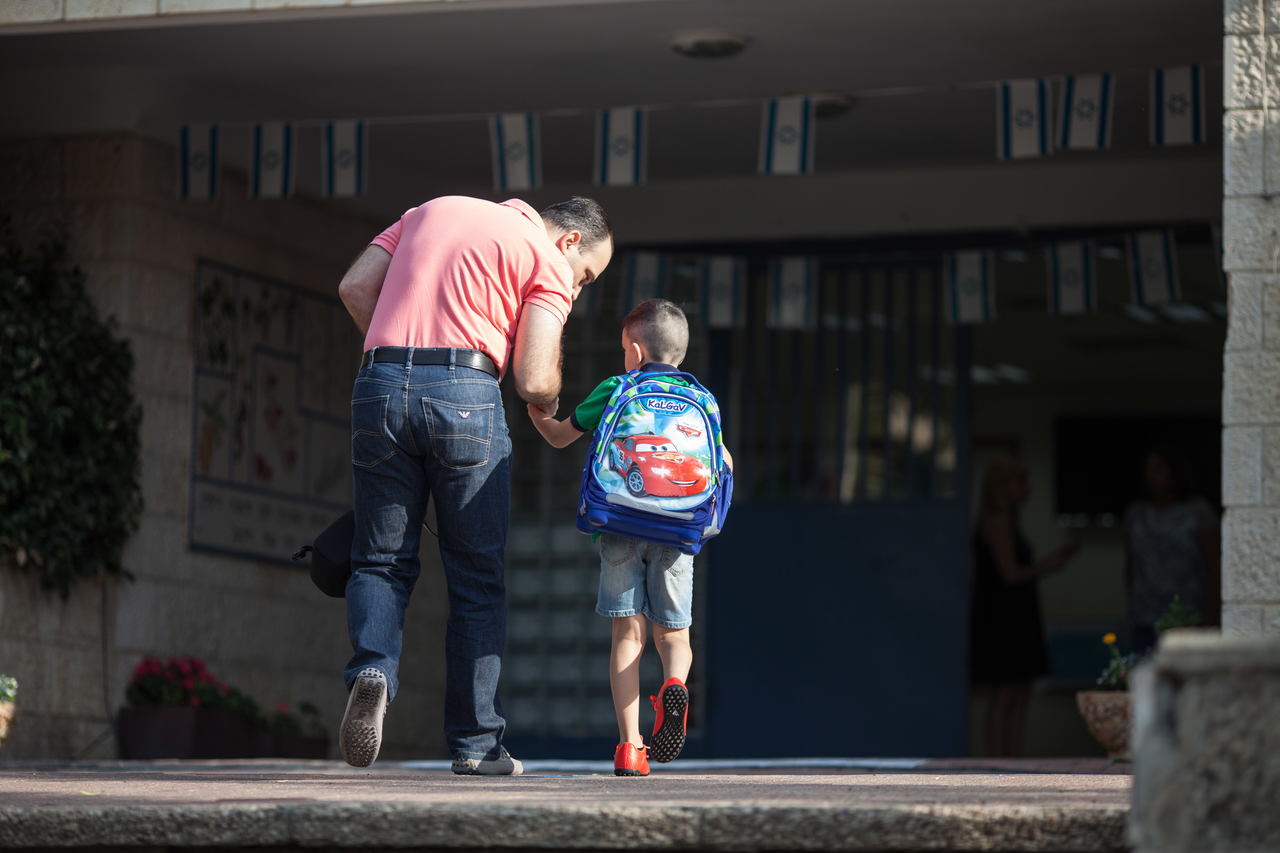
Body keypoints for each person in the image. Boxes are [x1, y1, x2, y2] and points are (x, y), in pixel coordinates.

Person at [334, 195, 613, 773]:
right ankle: (477, 745)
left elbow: (355, 288)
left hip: (379, 384)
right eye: (585, 276)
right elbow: (534, 378)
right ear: (567, 242)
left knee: (379, 560)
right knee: (476, 579)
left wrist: (399, 365)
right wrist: (551, 401)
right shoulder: (541, 256)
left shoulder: (427, 210)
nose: (578, 289)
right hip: (466, 392)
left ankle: (373, 671)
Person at [526, 298, 732, 776]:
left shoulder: (617, 387)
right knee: (674, 633)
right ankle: (676, 684)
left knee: (628, 632)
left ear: (635, 351)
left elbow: (560, 436)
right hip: (679, 528)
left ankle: (630, 746)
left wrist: (539, 413)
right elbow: (723, 465)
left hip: (619, 525)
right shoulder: (704, 402)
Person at [969, 455, 1079, 757]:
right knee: (1005, 693)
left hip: (1015, 614)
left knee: (1018, 691)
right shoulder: (997, 520)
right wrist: (1050, 565)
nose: (1027, 487)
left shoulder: (1006, 520)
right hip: (1004, 618)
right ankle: (999, 761)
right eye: (1022, 480)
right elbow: (1010, 573)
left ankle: (1012, 759)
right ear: (1005, 485)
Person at [1124, 443, 1220, 652]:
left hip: (1188, 615)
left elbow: (1215, 565)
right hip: (1145, 617)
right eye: (1147, 470)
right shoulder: (1137, 514)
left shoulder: (1197, 512)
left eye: (1158, 469)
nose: (1151, 476)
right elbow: (1131, 564)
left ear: (1174, 472)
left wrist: (1212, 613)